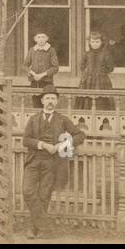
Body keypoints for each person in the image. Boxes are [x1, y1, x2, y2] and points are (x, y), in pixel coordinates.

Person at [22, 85, 86, 238]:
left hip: (52, 162)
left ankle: (34, 229)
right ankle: (45, 227)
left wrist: (61, 146)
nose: (50, 101)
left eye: (53, 98)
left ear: (56, 101)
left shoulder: (63, 120)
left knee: (44, 195)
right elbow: (26, 140)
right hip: (34, 160)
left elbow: (80, 135)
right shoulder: (33, 119)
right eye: (47, 98)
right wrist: (42, 144)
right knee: (28, 191)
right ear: (42, 101)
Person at [77, 32, 115, 111]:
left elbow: (110, 67)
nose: (95, 44)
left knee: (101, 100)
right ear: (90, 43)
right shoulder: (87, 54)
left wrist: (101, 72)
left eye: (97, 42)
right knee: (86, 100)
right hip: (88, 81)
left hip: (101, 82)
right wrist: (88, 72)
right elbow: (82, 66)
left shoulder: (105, 54)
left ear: (101, 42)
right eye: (93, 42)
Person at [25, 31, 60, 107]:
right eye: (38, 37)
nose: (41, 39)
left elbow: (55, 67)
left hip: (47, 82)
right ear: (35, 39)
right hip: (35, 82)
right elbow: (25, 65)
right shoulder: (32, 50)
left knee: (47, 104)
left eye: (43, 37)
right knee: (36, 104)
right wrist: (32, 73)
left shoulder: (51, 50)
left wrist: (42, 75)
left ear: (47, 38)